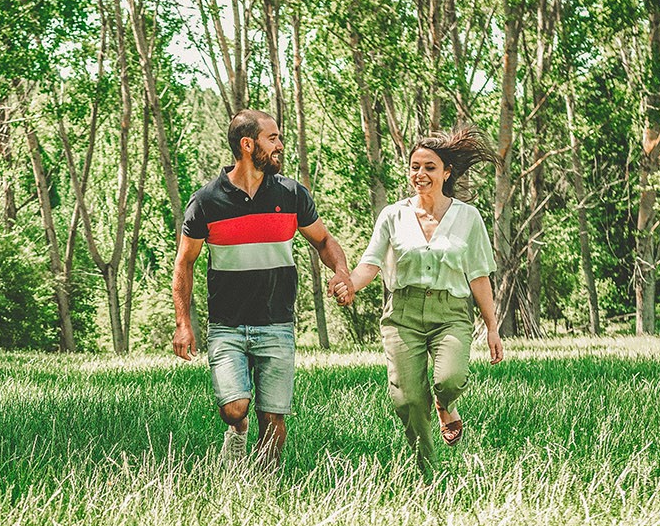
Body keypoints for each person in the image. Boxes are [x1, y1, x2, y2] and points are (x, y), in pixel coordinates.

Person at [173, 110, 355, 470]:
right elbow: (184, 263)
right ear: (247, 144)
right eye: (272, 139)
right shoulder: (206, 201)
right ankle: (236, 433)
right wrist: (183, 323)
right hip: (226, 325)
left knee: (273, 417)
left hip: (276, 323)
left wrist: (342, 270)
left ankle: (261, 485)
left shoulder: (290, 193)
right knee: (234, 408)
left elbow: (323, 241)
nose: (280, 146)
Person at [334, 128, 504, 475]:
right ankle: (427, 471)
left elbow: (478, 276)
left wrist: (492, 327)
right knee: (408, 400)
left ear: (446, 172)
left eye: (429, 167)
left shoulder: (468, 217)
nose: (420, 175)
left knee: (451, 379)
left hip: (451, 313)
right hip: (403, 315)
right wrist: (349, 284)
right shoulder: (393, 215)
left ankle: (445, 405)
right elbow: (371, 263)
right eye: (415, 167)